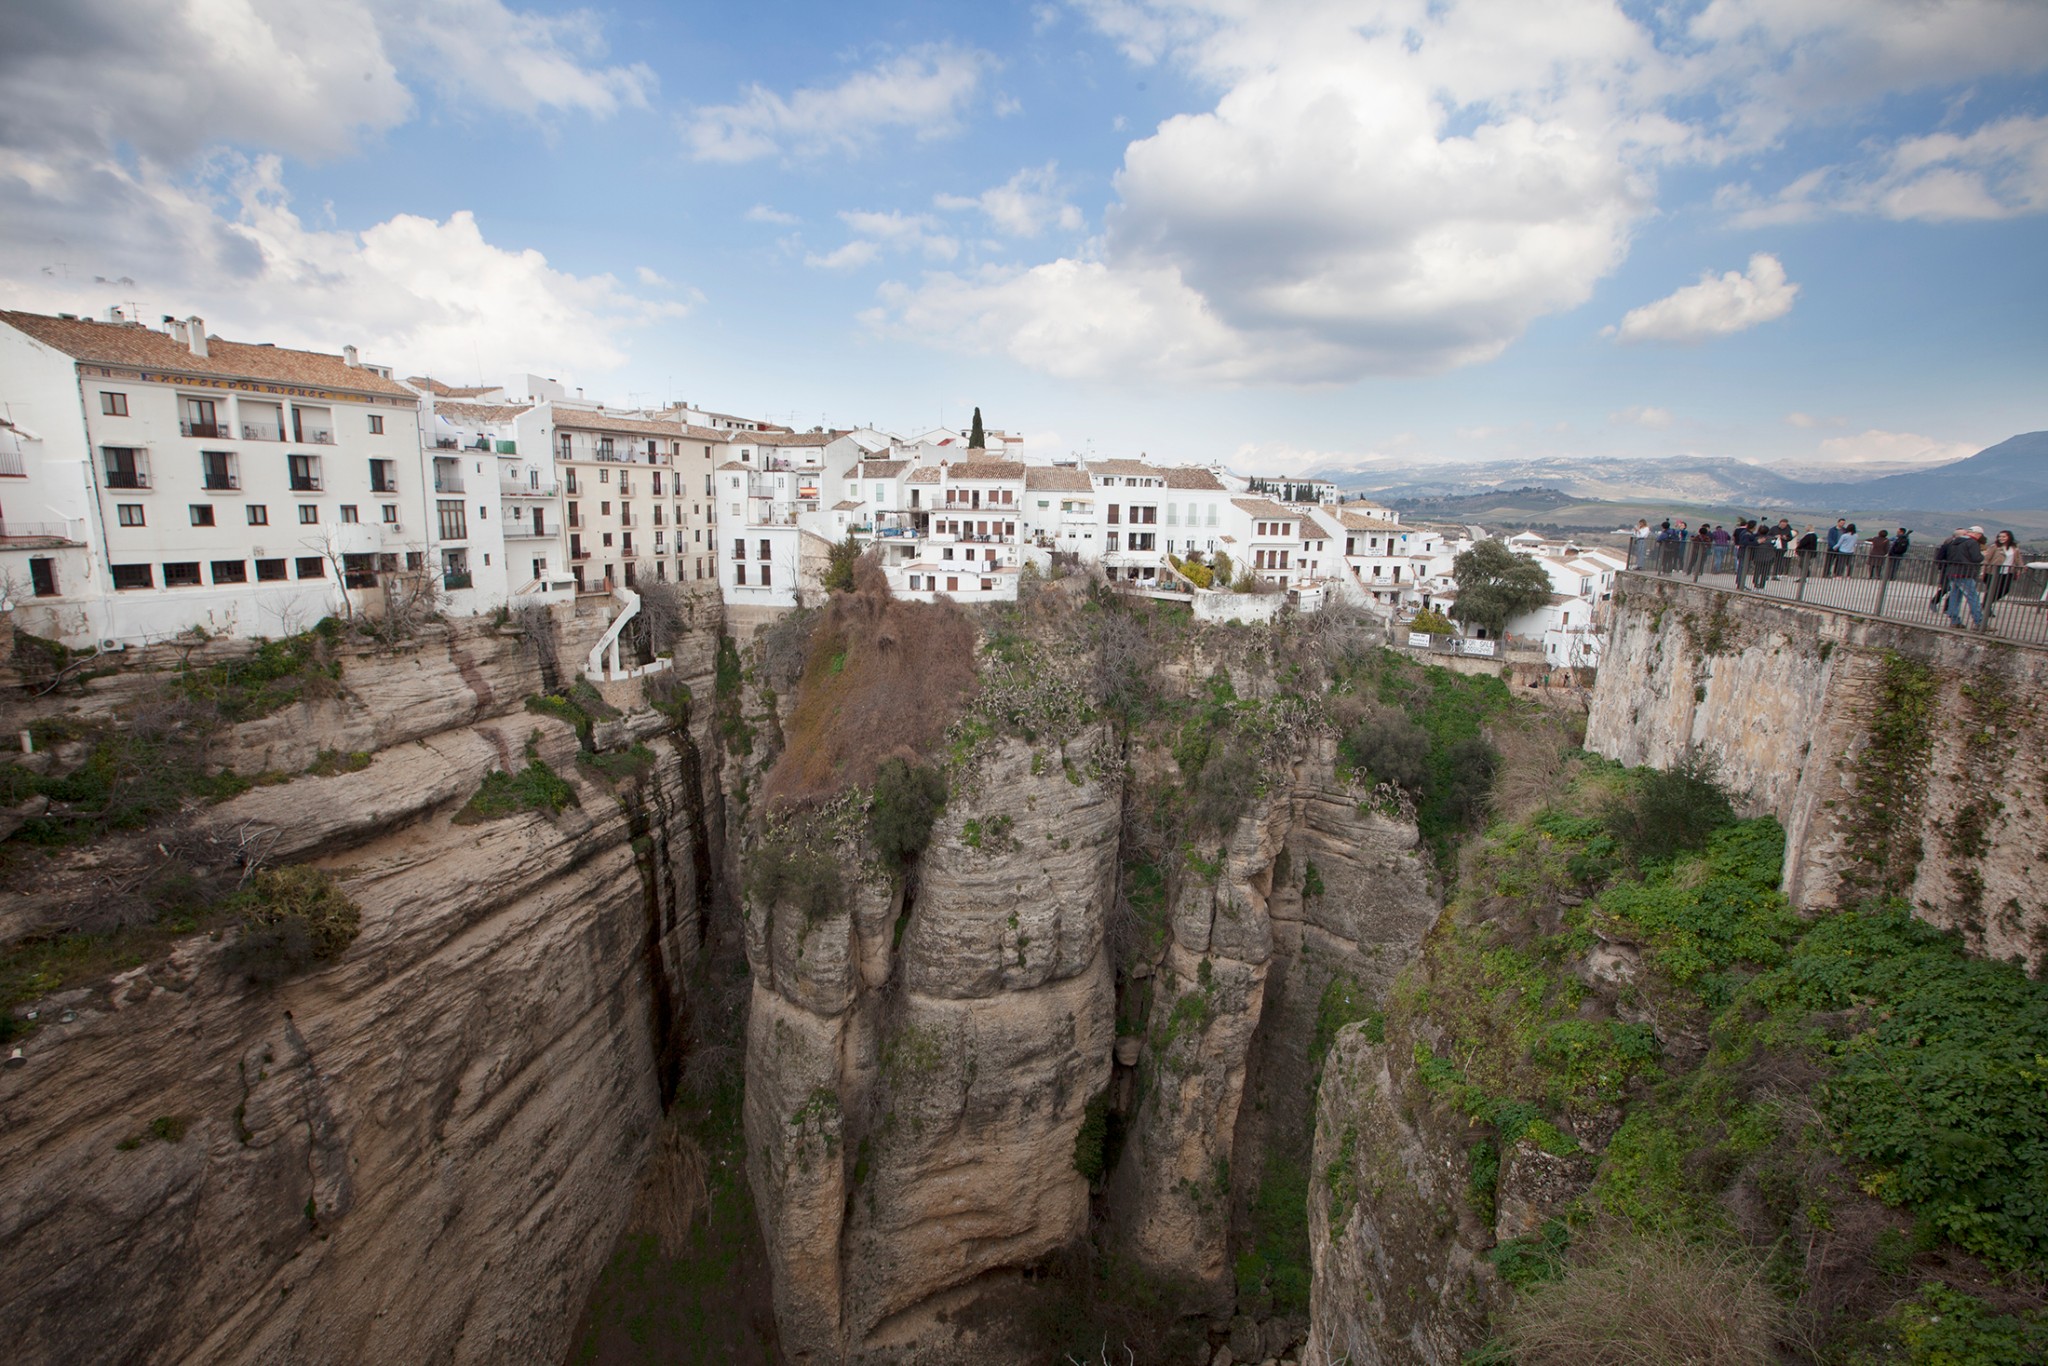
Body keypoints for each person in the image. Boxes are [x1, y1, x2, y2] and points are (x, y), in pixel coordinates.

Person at [1940, 527, 1986, 628]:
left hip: (1952, 572)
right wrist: (1983, 555)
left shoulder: (1954, 542)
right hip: (1965, 573)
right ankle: (1979, 622)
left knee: (1955, 597)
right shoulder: (1972, 543)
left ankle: (1954, 620)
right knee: (1973, 597)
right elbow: (1976, 558)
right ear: (1978, 534)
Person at [1984, 529, 2023, 615]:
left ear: (2009, 537)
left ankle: (1986, 604)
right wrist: (1984, 570)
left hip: (2007, 572)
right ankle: (1987, 607)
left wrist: (2020, 568)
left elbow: (2018, 559)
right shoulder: (1995, 547)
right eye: (2000, 536)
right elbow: (1987, 559)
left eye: (2004, 536)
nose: (2001, 538)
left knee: (2005, 590)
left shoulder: (2014, 548)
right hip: (1993, 572)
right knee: (1991, 590)